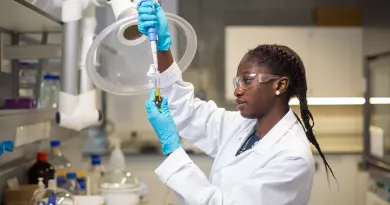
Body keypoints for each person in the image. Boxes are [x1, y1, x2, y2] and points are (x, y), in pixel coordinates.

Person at [138, 1, 335, 205]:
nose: (237, 90)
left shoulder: (292, 158)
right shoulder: (244, 127)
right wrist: (162, 46)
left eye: (247, 81)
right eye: (237, 81)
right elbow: (188, 112)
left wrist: (172, 148)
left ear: (280, 85)